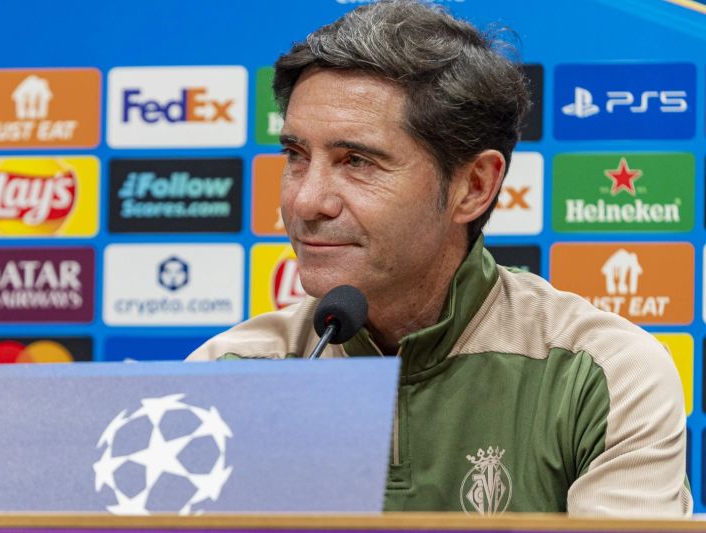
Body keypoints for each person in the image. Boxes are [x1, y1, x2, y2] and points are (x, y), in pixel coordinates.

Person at [187, 0, 691, 517]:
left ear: (474, 186)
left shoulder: (601, 374)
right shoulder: (228, 374)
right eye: (296, 156)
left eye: (356, 161)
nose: (305, 201)